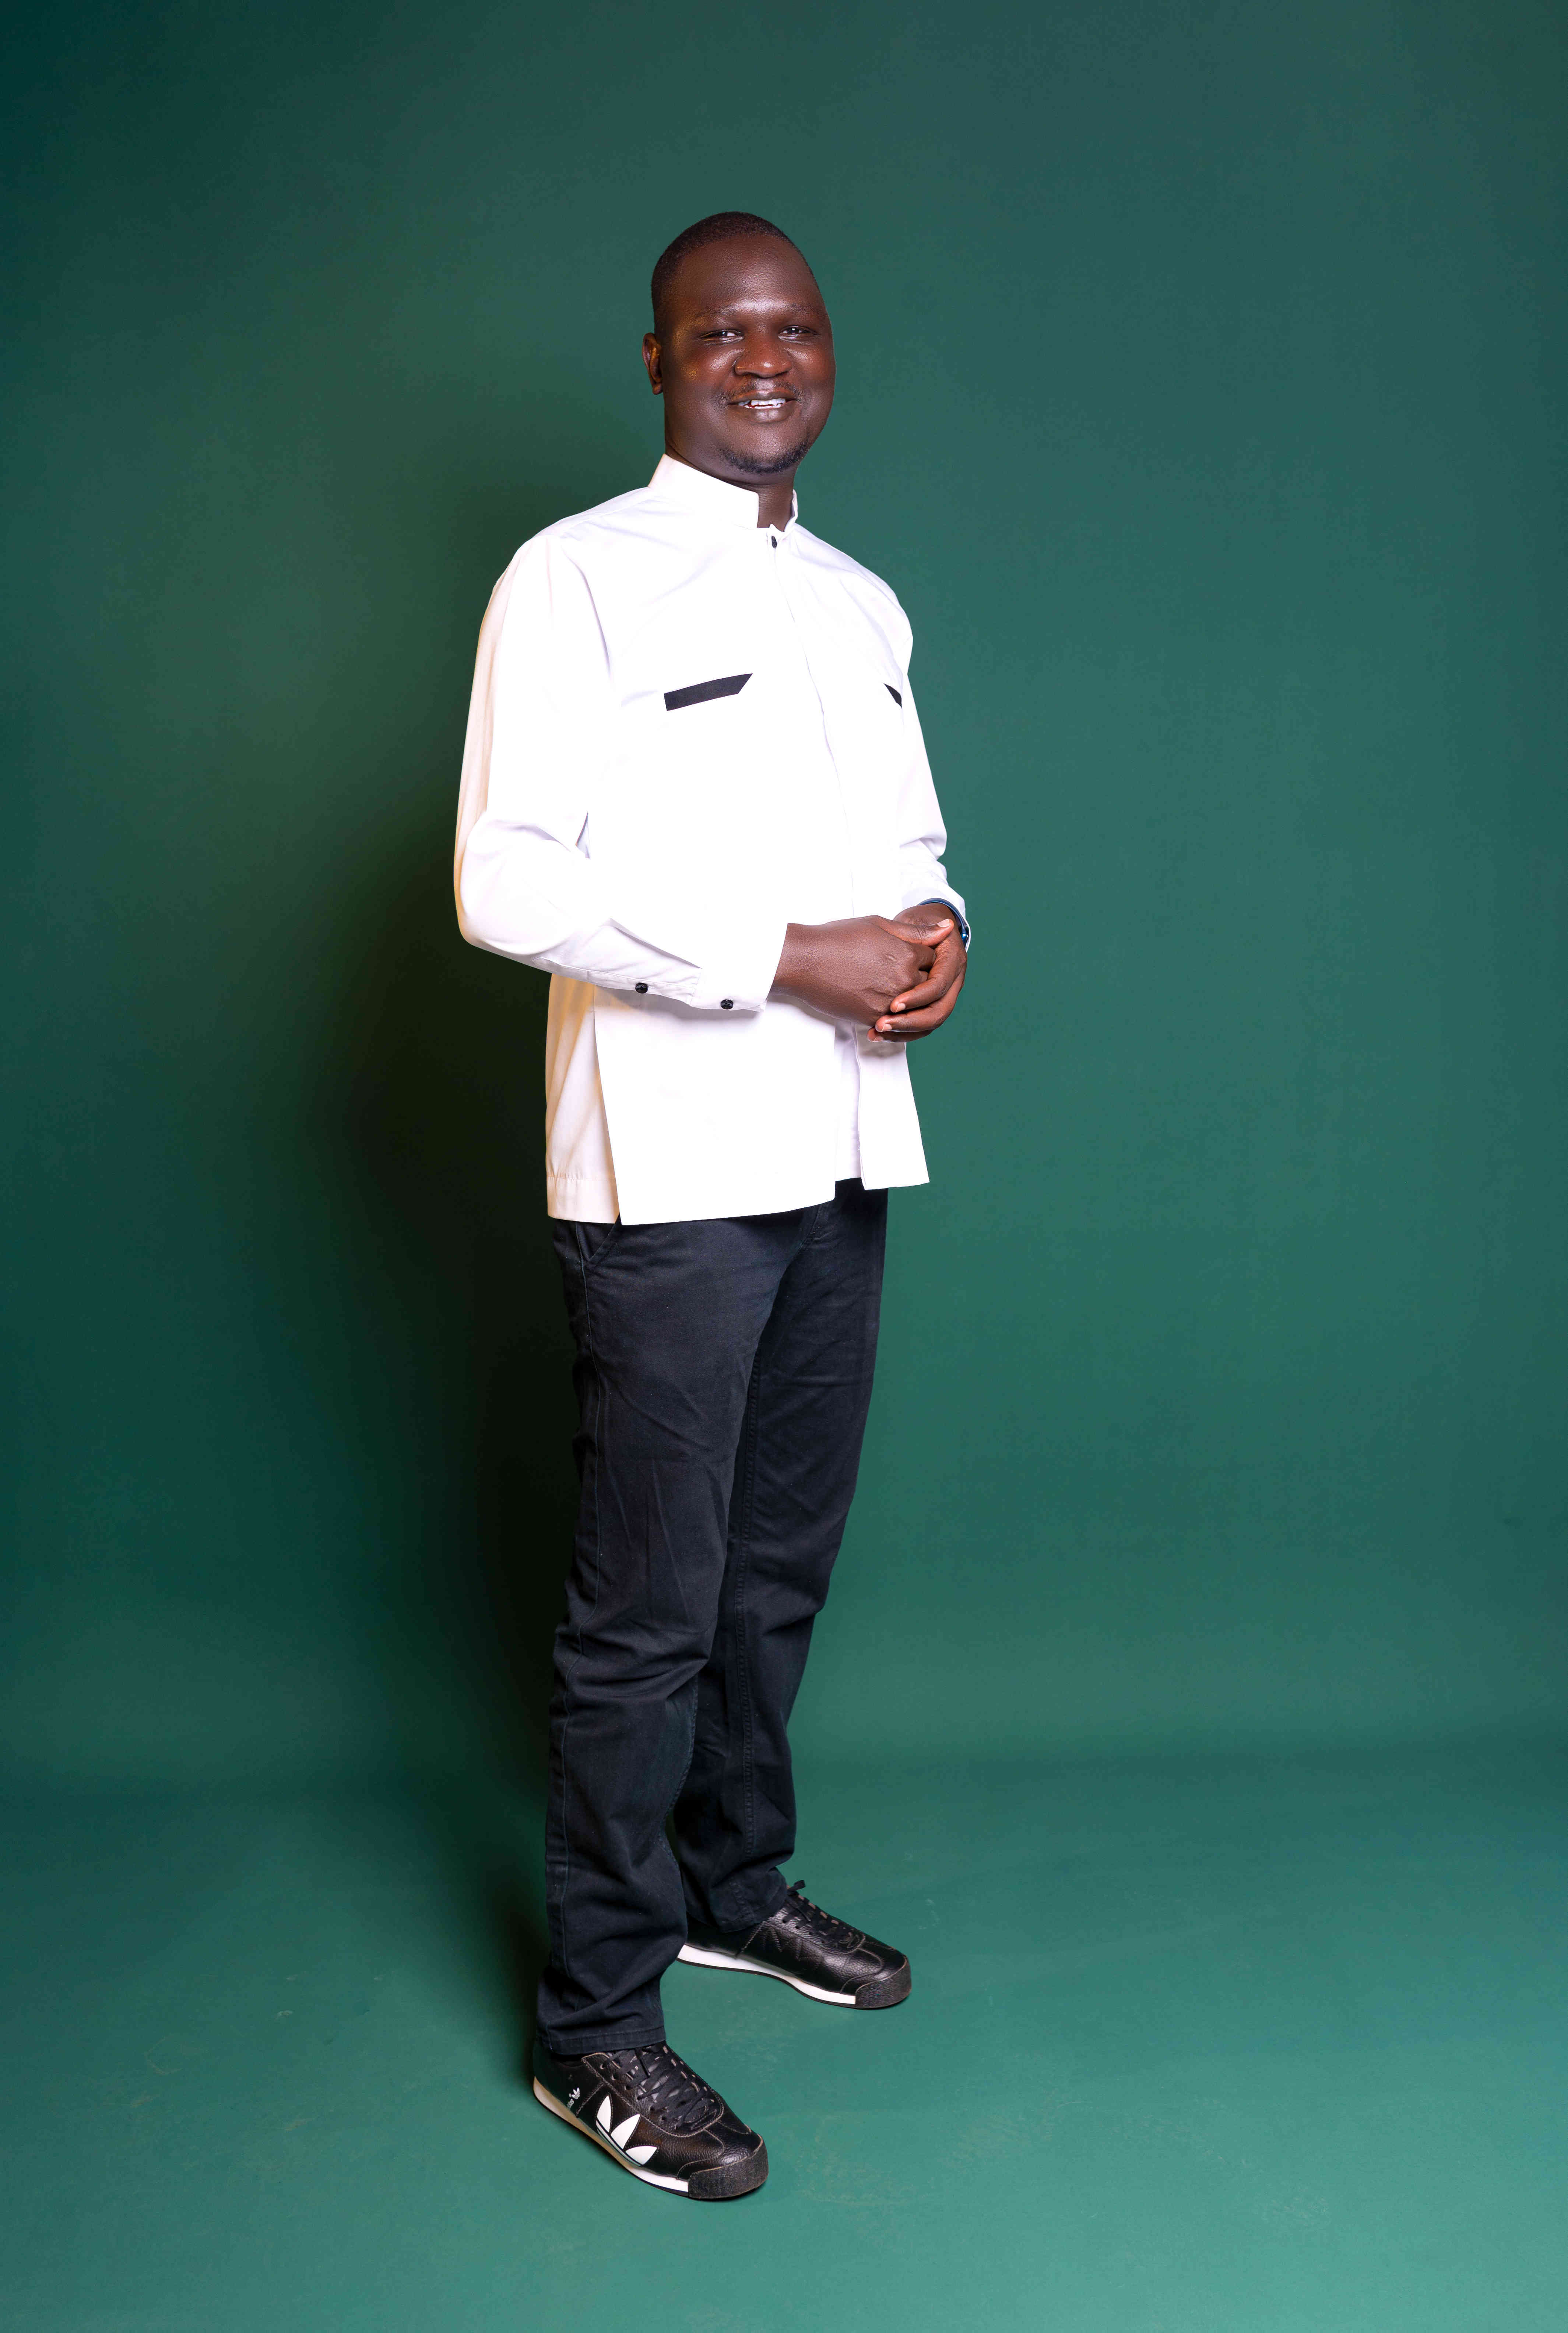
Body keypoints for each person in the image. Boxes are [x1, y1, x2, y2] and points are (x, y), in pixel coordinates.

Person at [453, 211, 968, 2201]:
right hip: (667, 1165)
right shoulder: (573, 575)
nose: (767, 358)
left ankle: (729, 1886)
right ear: (661, 359)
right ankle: (594, 2022)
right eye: (724, 331)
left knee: (774, 1574)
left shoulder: (857, 599)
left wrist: (934, 936)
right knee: (648, 1611)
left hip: (842, 1144)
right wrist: (783, 956)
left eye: (796, 329)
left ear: (827, 355)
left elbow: (913, 849)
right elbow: (506, 877)